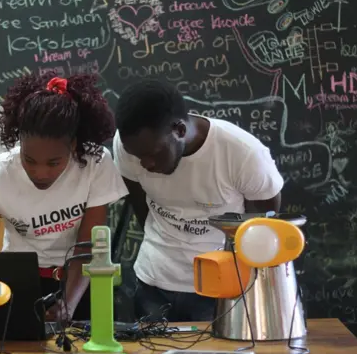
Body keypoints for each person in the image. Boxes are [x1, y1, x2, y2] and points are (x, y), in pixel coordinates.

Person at [0, 73, 128, 322]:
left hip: (79, 283)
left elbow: (86, 246)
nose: (40, 173)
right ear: (19, 142)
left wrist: (67, 306)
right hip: (18, 284)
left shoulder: (95, 163)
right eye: (29, 160)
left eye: (53, 162)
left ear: (72, 146)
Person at [112, 80, 284, 322]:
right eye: (137, 156)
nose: (146, 164)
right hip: (153, 284)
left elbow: (263, 221)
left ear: (179, 130)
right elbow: (140, 205)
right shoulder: (128, 146)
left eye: (154, 154)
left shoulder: (242, 153)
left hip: (221, 288)